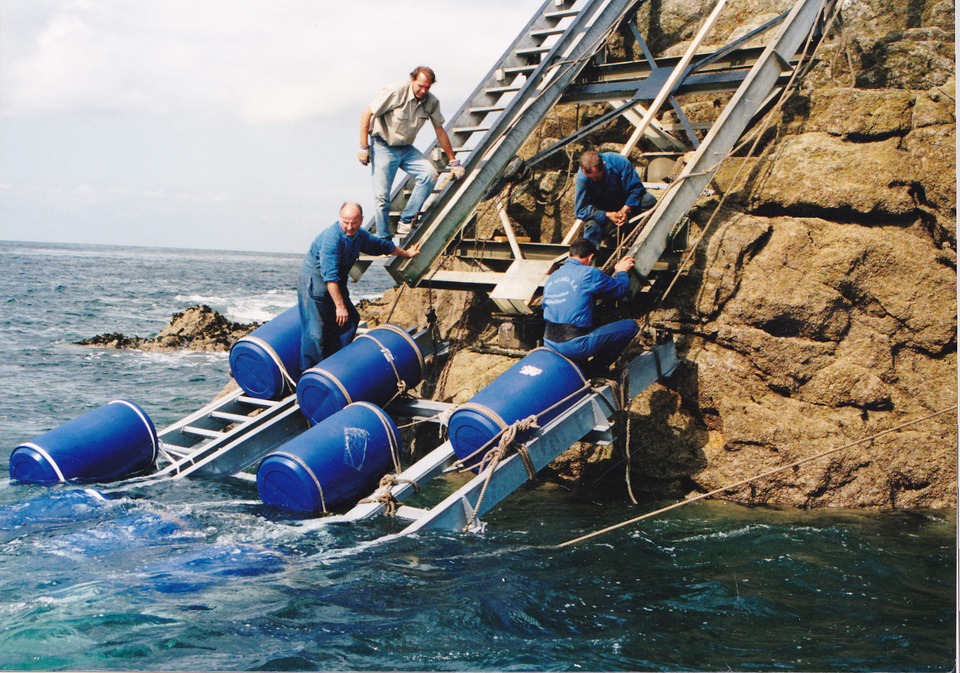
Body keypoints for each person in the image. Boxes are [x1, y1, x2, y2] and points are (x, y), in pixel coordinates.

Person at [298, 202, 419, 370]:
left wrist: (406, 253)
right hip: (316, 281)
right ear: (340, 219)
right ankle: (310, 373)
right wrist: (339, 306)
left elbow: (381, 246)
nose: (349, 227)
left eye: (353, 222)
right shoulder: (332, 239)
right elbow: (330, 277)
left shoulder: (360, 235)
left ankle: (333, 363)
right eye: (345, 222)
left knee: (350, 320)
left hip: (336, 282)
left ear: (361, 220)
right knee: (315, 332)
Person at [359, 66, 464, 239]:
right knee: (382, 198)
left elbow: (440, 131)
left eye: (427, 87)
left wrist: (453, 161)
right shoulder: (395, 91)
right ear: (412, 79)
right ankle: (384, 239)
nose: (423, 91)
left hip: (406, 148)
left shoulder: (431, 102)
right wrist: (363, 147)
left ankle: (406, 220)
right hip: (383, 145)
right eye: (420, 86)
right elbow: (366, 113)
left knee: (429, 174)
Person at [542, 238, 639, 378]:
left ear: (569, 255)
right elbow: (621, 289)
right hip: (574, 345)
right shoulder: (589, 273)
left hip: (549, 343)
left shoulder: (553, 276)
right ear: (591, 257)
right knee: (631, 326)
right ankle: (596, 368)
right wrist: (621, 271)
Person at [574, 150, 657, 247]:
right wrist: (607, 215)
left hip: (623, 202)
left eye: (596, 177)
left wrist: (624, 210)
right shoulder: (582, 178)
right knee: (592, 227)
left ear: (604, 166)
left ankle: (638, 239)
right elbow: (580, 210)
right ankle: (591, 256)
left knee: (648, 200)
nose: (594, 180)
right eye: (590, 178)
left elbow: (637, 188)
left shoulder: (618, 161)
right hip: (601, 210)